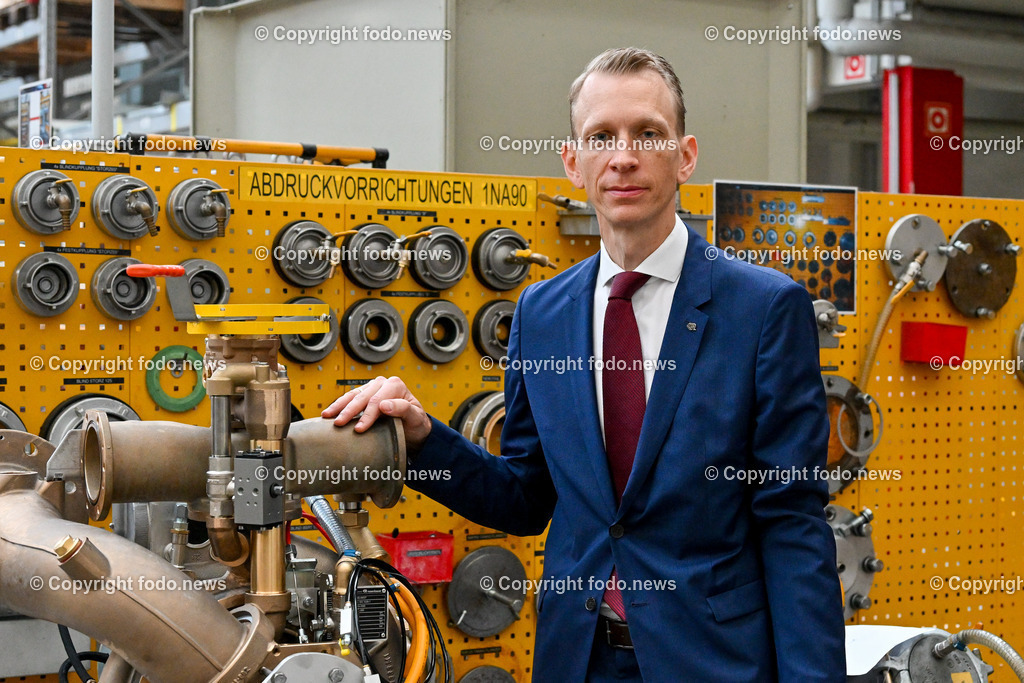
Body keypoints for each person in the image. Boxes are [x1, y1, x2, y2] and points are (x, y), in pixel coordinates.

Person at [324, 47, 846, 682]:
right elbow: (525, 496)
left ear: (685, 156)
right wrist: (422, 439)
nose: (623, 156)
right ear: (573, 162)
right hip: (579, 658)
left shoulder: (764, 310)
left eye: (647, 134)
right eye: (601, 136)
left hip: (714, 663)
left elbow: (792, 523)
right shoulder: (543, 312)